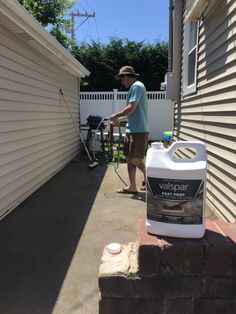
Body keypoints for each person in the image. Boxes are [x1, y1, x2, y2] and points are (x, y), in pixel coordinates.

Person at [109, 66, 149, 194]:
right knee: (128, 157)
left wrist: (116, 115)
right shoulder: (135, 87)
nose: (122, 82)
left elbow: (132, 107)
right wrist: (120, 120)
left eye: (122, 79)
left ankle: (150, 176)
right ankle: (132, 186)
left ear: (126, 76)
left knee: (135, 159)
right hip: (131, 129)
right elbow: (133, 113)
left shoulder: (137, 86)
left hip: (138, 130)